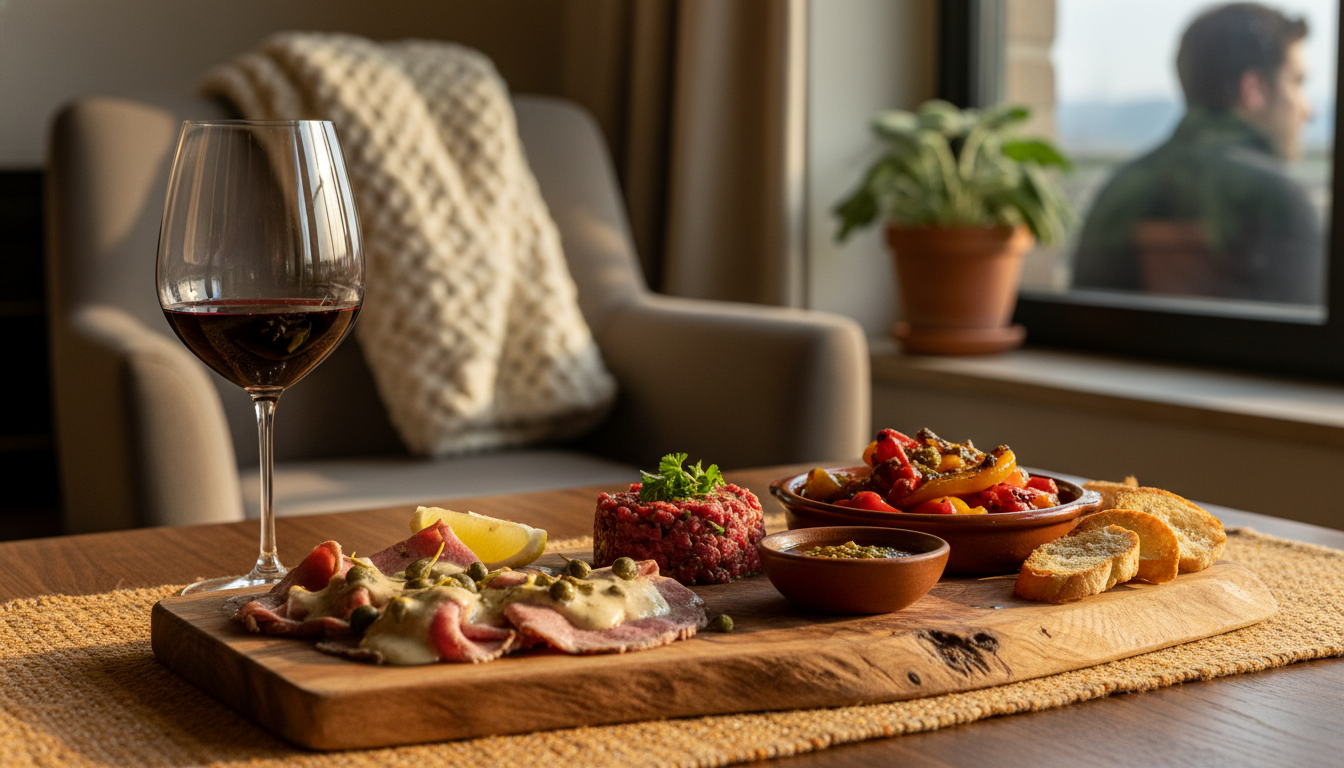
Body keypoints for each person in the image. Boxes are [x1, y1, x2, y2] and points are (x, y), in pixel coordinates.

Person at [1071, 3, 1324, 305]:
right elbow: (1301, 345)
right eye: (1297, 82)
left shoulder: (1116, 192)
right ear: (1254, 89)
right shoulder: (1279, 201)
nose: (1309, 110)